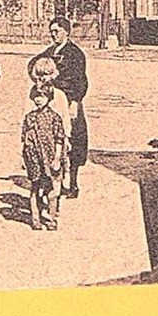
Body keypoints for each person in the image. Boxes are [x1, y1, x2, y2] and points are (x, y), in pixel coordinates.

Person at [28, 16, 89, 197]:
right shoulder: (50, 51)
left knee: (74, 140)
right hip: (53, 100)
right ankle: (57, 183)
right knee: (54, 139)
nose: (53, 35)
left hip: (70, 102)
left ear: (67, 31)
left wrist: (76, 102)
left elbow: (82, 81)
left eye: (57, 31)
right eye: (52, 31)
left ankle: (74, 184)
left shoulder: (76, 53)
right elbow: (33, 64)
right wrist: (40, 80)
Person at [21, 83, 67, 231]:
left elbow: (60, 139)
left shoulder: (54, 117)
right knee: (35, 189)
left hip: (50, 158)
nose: (38, 100)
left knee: (51, 191)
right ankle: (35, 220)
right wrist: (24, 159)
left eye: (42, 96)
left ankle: (52, 219)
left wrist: (57, 159)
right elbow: (25, 139)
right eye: (35, 96)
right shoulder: (29, 117)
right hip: (34, 158)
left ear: (49, 97)